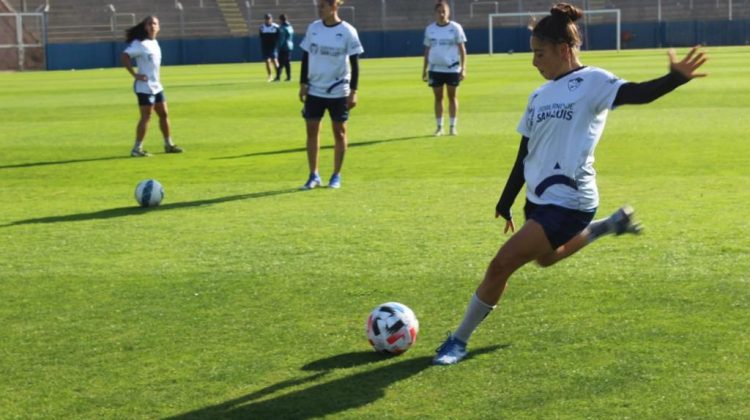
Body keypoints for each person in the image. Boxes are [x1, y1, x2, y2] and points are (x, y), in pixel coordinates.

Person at [433, 3, 707, 365]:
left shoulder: (593, 81)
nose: (534, 62)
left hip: (571, 199)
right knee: (546, 259)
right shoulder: (538, 96)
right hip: (539, 199)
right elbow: (524, 153)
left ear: (564, 50)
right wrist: (506, 200)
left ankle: (458, 341)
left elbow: (637, 93)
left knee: (501, 265)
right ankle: (611, 225)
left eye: (539, 53)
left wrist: (675, 79)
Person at [298, 0, 363, 190]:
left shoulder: (348, 31)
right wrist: (303, 83)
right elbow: (306, 57)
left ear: (334, 7)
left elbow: (355, 63)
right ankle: (313, 175)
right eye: (318, 6)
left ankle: (336, 175)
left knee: (340, 132)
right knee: (311, 130)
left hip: (338, 90)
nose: (319, 10)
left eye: (323, 6)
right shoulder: (313, 28)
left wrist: (354, 91)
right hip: (315, 89)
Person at [122, 16, 182, 157]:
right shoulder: (139, 43)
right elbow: (125, 56)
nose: (152, 26)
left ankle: (168, 144)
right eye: (149, 24)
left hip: (156, 86)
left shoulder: (154, 42)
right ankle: (137, 149)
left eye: (155, 23)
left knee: (164, 114)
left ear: (158, 27)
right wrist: (135, 75)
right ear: (145, 27)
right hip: (144, 87)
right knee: (146, 116)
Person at [422, 1, 467, 136]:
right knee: (438, 98)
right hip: (435, 69)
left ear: (448, 12)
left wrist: (463, 68)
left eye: (444, 11)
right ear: (435, 13)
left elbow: (462, 50)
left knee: (452, 97)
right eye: (439, 12)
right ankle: (439, 127)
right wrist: (424, 69)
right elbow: (427, 50)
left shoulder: (455, 28)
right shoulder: (430, 29)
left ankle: (453, 126)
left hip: (452, 69)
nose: (441, 14)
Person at [259, 13, 280, 82]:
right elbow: (261, 36)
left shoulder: (276, 27)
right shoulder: (262, 27)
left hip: (273, 47)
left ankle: (278, 75)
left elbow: (278, 36)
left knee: (275, 61)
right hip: (265, 47)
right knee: (267, 61)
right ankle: (270, 75)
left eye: (269, 19)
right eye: (266, 19)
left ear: (271, 19)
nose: (268, 20)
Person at [275, 14, 294, 82]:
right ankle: (289, 77)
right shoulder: (290, 27)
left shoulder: (282, 27)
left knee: (281, 62)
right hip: (290, 46)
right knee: (287, 62)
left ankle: (278, 77)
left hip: (284, 47)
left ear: (281, 20)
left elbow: (282, 38)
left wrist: (279, 46)